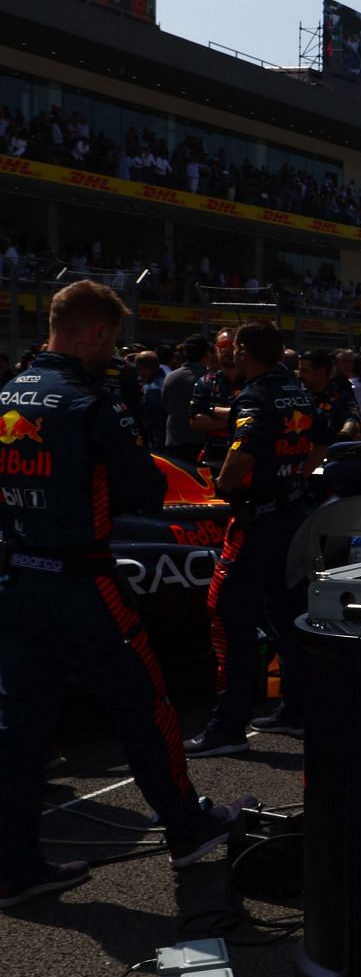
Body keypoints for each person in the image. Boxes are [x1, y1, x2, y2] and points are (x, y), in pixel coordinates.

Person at [0, 282, 248, 907]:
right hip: (83, 582)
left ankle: (15, 866)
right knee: (146, 705)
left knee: (20, 728)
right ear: (97, 334)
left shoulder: (6, 393)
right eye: (111, 340)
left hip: (18, 583)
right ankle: (188, 829)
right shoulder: (91, 402)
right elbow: (144, 492)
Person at [187, 322, 317, 754]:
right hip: (294, 515)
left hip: (257, 521)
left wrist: (222, 486)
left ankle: (227, 729)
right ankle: (298, 710)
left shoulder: (255, 395)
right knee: (287, 613)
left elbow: (241, 455)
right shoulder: (297, 390)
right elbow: (321, 443)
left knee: (227, 615)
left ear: (245, 351)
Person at [187, 329, 242, 469]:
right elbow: (196, 421)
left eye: (232, 345)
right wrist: (237, 420)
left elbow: (259, 419)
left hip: (245, 461)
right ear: (216, 349)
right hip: (212, 459)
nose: (228, 350)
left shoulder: (254, 381)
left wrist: (212, 412)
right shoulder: (205, 382)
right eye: (223, 345)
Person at [297, 348, 361, 458]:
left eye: (304, 371)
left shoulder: (341, 397)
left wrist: (344, 435)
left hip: (328, 456)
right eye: (299, 370)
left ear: (321, 372)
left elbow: (352, 419)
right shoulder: (297, 396)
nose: (299, 375)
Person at [161, 334, 211, 465]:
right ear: (206, 354)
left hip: (174, 439)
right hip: (200, 442)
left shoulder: (171, 377)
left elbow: (165, 404)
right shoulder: (209, 379)